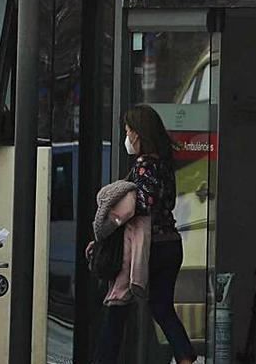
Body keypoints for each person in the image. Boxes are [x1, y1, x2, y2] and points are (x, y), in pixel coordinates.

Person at [90, 105, 196, 364]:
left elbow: (144, 202)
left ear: (138, 134)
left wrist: (116, 202)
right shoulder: (165, 164)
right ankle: (185, 356)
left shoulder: (144, 166)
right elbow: (166, 201)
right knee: (161, 307)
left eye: (128, 131)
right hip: (171, 243)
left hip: (146, 249)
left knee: (117, 305)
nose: (127, 138)